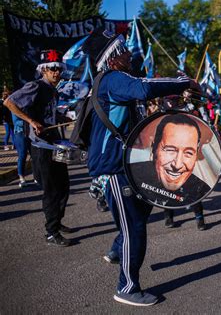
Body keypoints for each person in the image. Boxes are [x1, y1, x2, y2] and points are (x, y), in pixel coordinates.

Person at [82, 28, 202, 306]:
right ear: (112, 58)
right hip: (115, 165)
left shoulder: (118, 79)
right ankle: (127, 287)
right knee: (135, 227)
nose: (128, 53)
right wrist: (183, 81)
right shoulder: (113, 79)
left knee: (142, 210)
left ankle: (117, 250)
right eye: (123, 50)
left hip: (129, 163)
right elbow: (144, 88)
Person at [4, 49, 72, 246]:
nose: (56, 72)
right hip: (41, 146)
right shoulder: (35, 86)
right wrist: (31, 121)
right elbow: (10, 102)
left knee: (64, 186)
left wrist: (62, 118)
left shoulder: (53, 89)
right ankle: (51, 232)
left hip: (54, 144)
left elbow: (47, 114)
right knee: (51, 189)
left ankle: (56, 222)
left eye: (58, 68)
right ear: (43, 70)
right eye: (52, 69)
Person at [128, 114, 211, 207]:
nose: (177, 165)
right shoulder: (133, 179)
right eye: (170, 150)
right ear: (154, 148)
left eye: (188, 153)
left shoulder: (201, 188)